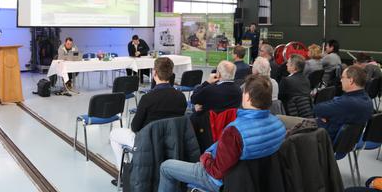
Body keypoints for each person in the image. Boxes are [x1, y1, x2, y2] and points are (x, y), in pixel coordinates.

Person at [158, 75, 286, 192]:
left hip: (219, 179)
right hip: (252, 179)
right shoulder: (279, 125)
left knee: (166, 166)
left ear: (247, 96)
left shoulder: (235, 131)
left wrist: (206, 157)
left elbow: (216, 172)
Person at [109, 57, 187, 186]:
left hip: (148, 142)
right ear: (171, 74)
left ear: (154, 73)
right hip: (171, 140)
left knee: (114, 135)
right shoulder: (181, 97)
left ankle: (124, 175)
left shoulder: (147, 98)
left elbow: (135, 127)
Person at [313, 65, 373, 142]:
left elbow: (317, 109)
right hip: (347, 142)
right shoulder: (367, 100)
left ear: (351, 81)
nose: (341, 80)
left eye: (343, 77)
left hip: (322, 138)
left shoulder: (347, 103)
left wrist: (327, 117)